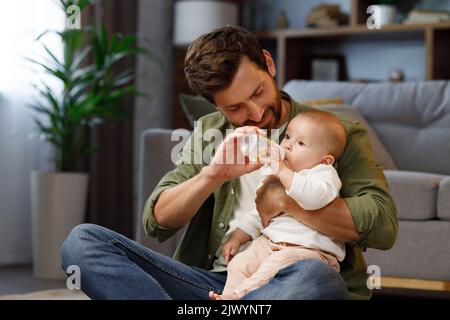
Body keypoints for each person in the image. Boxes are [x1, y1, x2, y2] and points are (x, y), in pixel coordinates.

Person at [60, 26, 397, 300]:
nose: (255, 114)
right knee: (83, 242)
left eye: (257, 92)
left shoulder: (332, 133)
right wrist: (212, 175)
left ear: (268, 62)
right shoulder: (210, 132)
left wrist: (287, 202)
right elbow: (157, 221)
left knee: (315, 278)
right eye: (234, 108)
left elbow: (382, 225)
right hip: (213, 284)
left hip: (291, 279)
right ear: (216, 107)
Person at [210, 110, 347, 300]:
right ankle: (226, 296)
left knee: (273, 266)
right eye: (288, 137)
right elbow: (259, 213)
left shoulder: (323, 174)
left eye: (300, 143)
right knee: (240, 262)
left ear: (325, 160)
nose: (288, 145)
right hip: (270, 243)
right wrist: (237, 238)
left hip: (308, 252)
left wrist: (282, 171)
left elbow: (313, 198)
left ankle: (237, 296)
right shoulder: (277, 175)